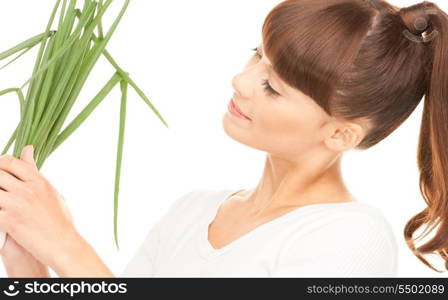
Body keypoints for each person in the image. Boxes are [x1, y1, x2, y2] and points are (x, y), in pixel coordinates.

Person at [0, 0, 447, 277]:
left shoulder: (351, 238)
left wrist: (65, 242)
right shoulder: (193, 210)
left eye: (273, 86)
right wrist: (32, 262)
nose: (241, 80)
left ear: (339, 134)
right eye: (256, 55)